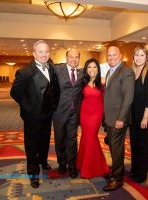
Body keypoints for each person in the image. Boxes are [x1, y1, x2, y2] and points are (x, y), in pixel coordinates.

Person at [10, 40, 60, 188]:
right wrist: (29, 107)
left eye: (46, 51)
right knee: (31, 145)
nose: (43, 54)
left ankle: (43, 162)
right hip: (32, 116)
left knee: (44, 141)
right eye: (40, 52)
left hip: (47, 114)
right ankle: (33, 174)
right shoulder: (25, 72)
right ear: (34, 54)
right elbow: (15, 93)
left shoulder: (52, 68)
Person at [103, 46, 135, 191]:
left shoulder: (126, 71)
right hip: (109, 118)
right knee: (113, 148)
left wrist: (121, 119)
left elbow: (128, 98)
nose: (111, 58)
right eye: (109, 55)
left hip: (118, 119)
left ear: (120, 56)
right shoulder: (110, 71)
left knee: (116, 149)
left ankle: (118, 179)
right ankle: (116, 172)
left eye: (114, 55)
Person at [76, 58, 110, 178]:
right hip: (84, 114)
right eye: (89, 67)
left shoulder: (103, 83)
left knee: (91, 137)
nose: (92, 70)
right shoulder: (82, 82)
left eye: (94, 67)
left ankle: (90, 168)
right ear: (86, 69)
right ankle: (84, 163)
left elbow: (104, 101)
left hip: (96, 115)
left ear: (98, 69)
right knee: (86, 137)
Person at [129, 46, 148, 183]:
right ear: (133, 57)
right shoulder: (132, 72)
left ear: (146, 57)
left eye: (142, 55)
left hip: (146, 115)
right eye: (136, 55)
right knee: (134, 144)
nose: (139, 58)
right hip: (134, 115)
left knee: (143, 145)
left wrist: (145, 117)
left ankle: (142, 173)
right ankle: (134, 169)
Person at [53, 49, 83, 178]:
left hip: (74, 113)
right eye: (71, 57)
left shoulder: (82, 73)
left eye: (76, 57)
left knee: (72, 140)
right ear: (66, 58)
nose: (74, 60)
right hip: (59, 112)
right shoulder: (58, 70)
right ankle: (61, 164)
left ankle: (72, 166)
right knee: (60, 139)